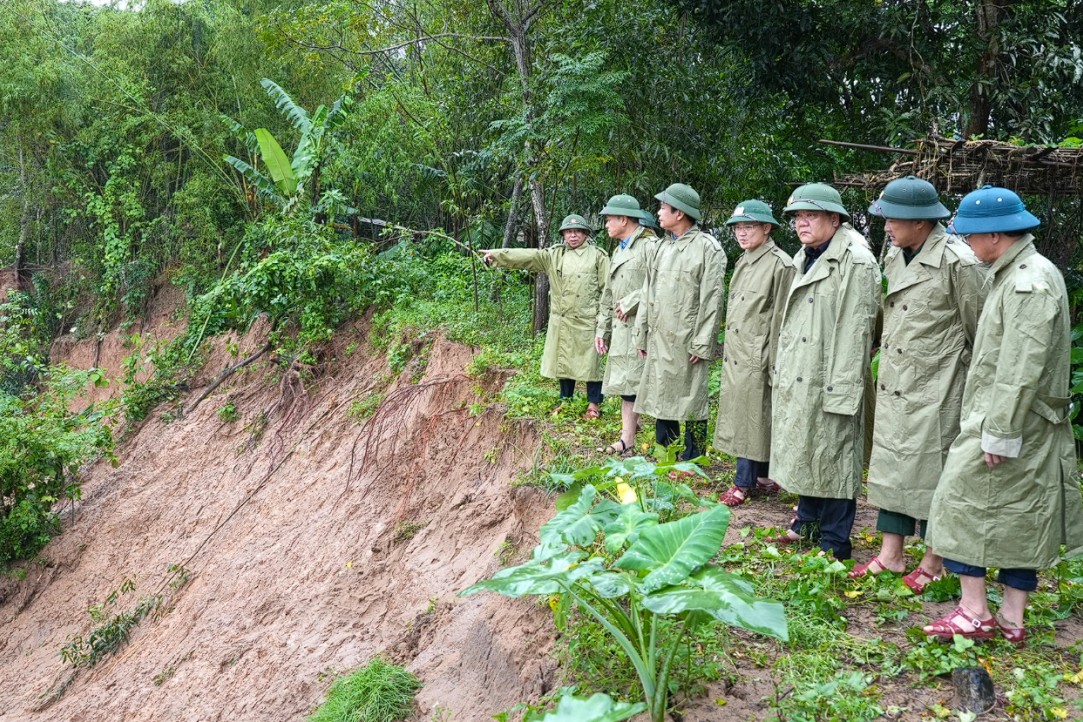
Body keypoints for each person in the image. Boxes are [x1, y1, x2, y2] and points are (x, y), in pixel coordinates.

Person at [922, 186, 1083, 643]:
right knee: (1020, 518)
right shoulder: (1017, 272)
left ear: (994, 235)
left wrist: (1000, 432)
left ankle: (975, 611)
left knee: (956, 506)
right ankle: (1011, 618)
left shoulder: (1027, 281)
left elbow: (1020, 365)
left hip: (1010, 422)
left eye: (971, 236)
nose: (968, 245)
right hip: (1014, 420)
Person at [849, 176, 990, 590]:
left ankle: (934, 560)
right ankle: (891, 554)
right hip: (896, 381)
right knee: (892, 469)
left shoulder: (958, 262)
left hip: (938, 388)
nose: (886, 225)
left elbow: (980, 332)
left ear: (921, 221)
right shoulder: (896, 255)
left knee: (933, 472)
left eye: (894, 218)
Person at [768, 183, 880, 560]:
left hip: (833, 372)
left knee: (835, 454)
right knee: (807, 445)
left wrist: (844, 388)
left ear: (835, 219)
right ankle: (806, 522)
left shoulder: (856, 260)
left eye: (810, 215)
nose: (801, 223)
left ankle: (835, 541)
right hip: (804, 366)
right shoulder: (808, 254)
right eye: (798, 216)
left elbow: (857, 328)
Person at [483, 215, 609, 418]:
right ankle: (565, 401)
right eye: (568, 232)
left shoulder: (598, 256)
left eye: (577, 231)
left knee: (590, 364)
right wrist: (497, 255)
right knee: (564, 361)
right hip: (562, 319)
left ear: (586, 234)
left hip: (587, 319)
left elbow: (607, 290)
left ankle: (593, 404)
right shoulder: (554, 255)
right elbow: (529, 256)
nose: (573, 235)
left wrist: (604, 320)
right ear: (563, 235)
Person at [634, 183, 726, 460]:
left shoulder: (708, 248)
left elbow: (712, 300)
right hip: (660, 337)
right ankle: (666, 453)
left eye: (663, 208)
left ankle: (694, 457)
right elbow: (647, 293)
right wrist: (641, 334)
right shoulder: (660, 247)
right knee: (662, 396)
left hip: (688, 339)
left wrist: (702, 342)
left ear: (680, 213)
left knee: (692, 399)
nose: (658, 213)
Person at [713, 200, 795, 506]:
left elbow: (781, 320)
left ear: (766, 228)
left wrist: (774, 362)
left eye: (748, 227)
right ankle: (762, 476)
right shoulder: (745, 260)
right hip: (738, 351)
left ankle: (742, 484)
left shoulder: (780, 264)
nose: (741, 234)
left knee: (753, 417)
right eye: (738, 228)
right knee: (748, 415)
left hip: (759, 354)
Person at [595, 194, 658, 454]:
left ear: (624, 219)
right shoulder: (619, 248)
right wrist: (602, 330)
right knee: (626, 384)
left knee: (637, 384)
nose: (607, 224)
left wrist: (632, 301)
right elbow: (608, 294)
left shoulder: (650, 246)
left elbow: (661, 282)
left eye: (610, 219)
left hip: (640, 328)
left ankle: (635, 439)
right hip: (621, 329)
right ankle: (627, 439)